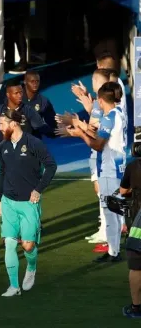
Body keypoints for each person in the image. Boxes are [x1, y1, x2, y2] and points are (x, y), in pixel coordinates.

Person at [0, 109, 57, 297]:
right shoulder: (3, 146)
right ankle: (14, 286)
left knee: (28, 246)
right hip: (8, 202)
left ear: (13, 124)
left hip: (29, 203)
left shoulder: (33, 143)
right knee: (10, 244)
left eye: (2, 124)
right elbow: (1, 173)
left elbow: (51, 165)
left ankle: (31, 267)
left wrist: (38, 189)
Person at [65, 82, 126, 262]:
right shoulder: (118, 113)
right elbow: (100, 135)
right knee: (114, 212)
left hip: (109, 169)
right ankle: (114, 251)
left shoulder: (109, 118)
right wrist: (83, 128)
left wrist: (80, 135)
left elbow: (98, 145)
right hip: (116, 168)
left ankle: (114, 251)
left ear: (100, 99)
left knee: (110, 212)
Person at [120, 157, 141, 318]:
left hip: (138, 222)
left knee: (136, 265)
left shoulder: (134, 165)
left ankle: (136, 307)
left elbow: (123, 191)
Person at [23, 71, 57, 137]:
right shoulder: (15, 99)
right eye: (32, 81)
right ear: (25, 82)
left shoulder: (44, 101)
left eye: (37, 81)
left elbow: (52, 124)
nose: (35, 84)